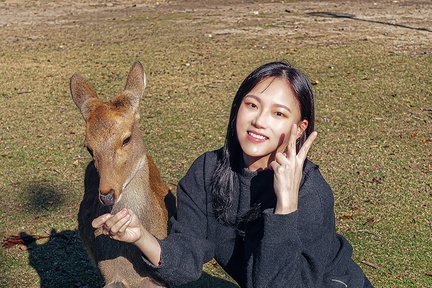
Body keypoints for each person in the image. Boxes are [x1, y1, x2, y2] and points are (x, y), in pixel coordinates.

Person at [92, 61, 373, 287]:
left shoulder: (310, 192)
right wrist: (141, 236)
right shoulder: (207, 172)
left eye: (278, 114)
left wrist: (285, 208)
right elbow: (186, 260)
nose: (259, 121)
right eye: (252, 105)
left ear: (299, 129)